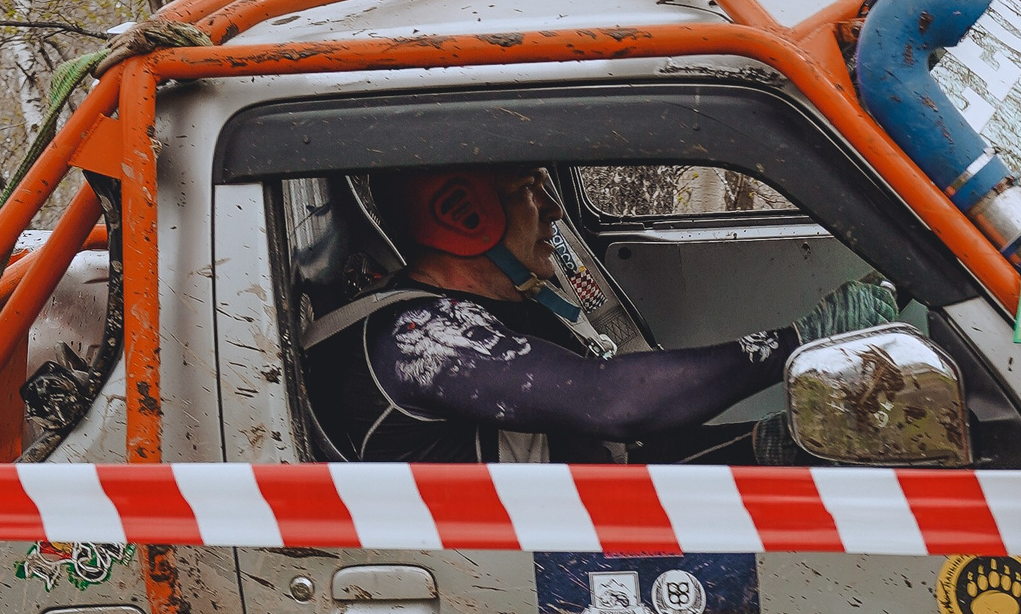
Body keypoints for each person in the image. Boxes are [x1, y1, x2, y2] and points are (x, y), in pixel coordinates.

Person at [304, 166, 888, 462]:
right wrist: (801, 342)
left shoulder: (482, 314)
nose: (553, 210)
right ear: (464, 213)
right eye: (530, 189)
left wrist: (764, 444)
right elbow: (616, 404)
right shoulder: (417, 337)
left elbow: (611, 459)